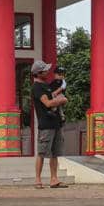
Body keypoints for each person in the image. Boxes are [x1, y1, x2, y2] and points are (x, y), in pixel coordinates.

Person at [30, 59, 69, 189]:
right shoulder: (37, 87)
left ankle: (54, 179)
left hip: (55, 123)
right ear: (39, 72)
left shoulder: (46, 85)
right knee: (42, 153)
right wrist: (61, 100)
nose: (47, 71)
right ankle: (38, 180)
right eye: (45, 70)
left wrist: (57, 95)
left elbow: (51, 97)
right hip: (46, 124)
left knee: (54, 153)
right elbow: (47, 103)